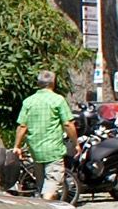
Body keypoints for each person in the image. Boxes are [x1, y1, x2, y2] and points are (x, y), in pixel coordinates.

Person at [13, 71, 77, 201]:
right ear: (53, 83)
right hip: (53, 150)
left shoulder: (28, 102)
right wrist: (75, 143)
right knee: (52, 185)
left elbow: (22, 126)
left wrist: (17, 146)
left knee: (42, 185)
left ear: (38, 84)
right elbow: (68, 124)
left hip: (36, 151)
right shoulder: (58, 100)